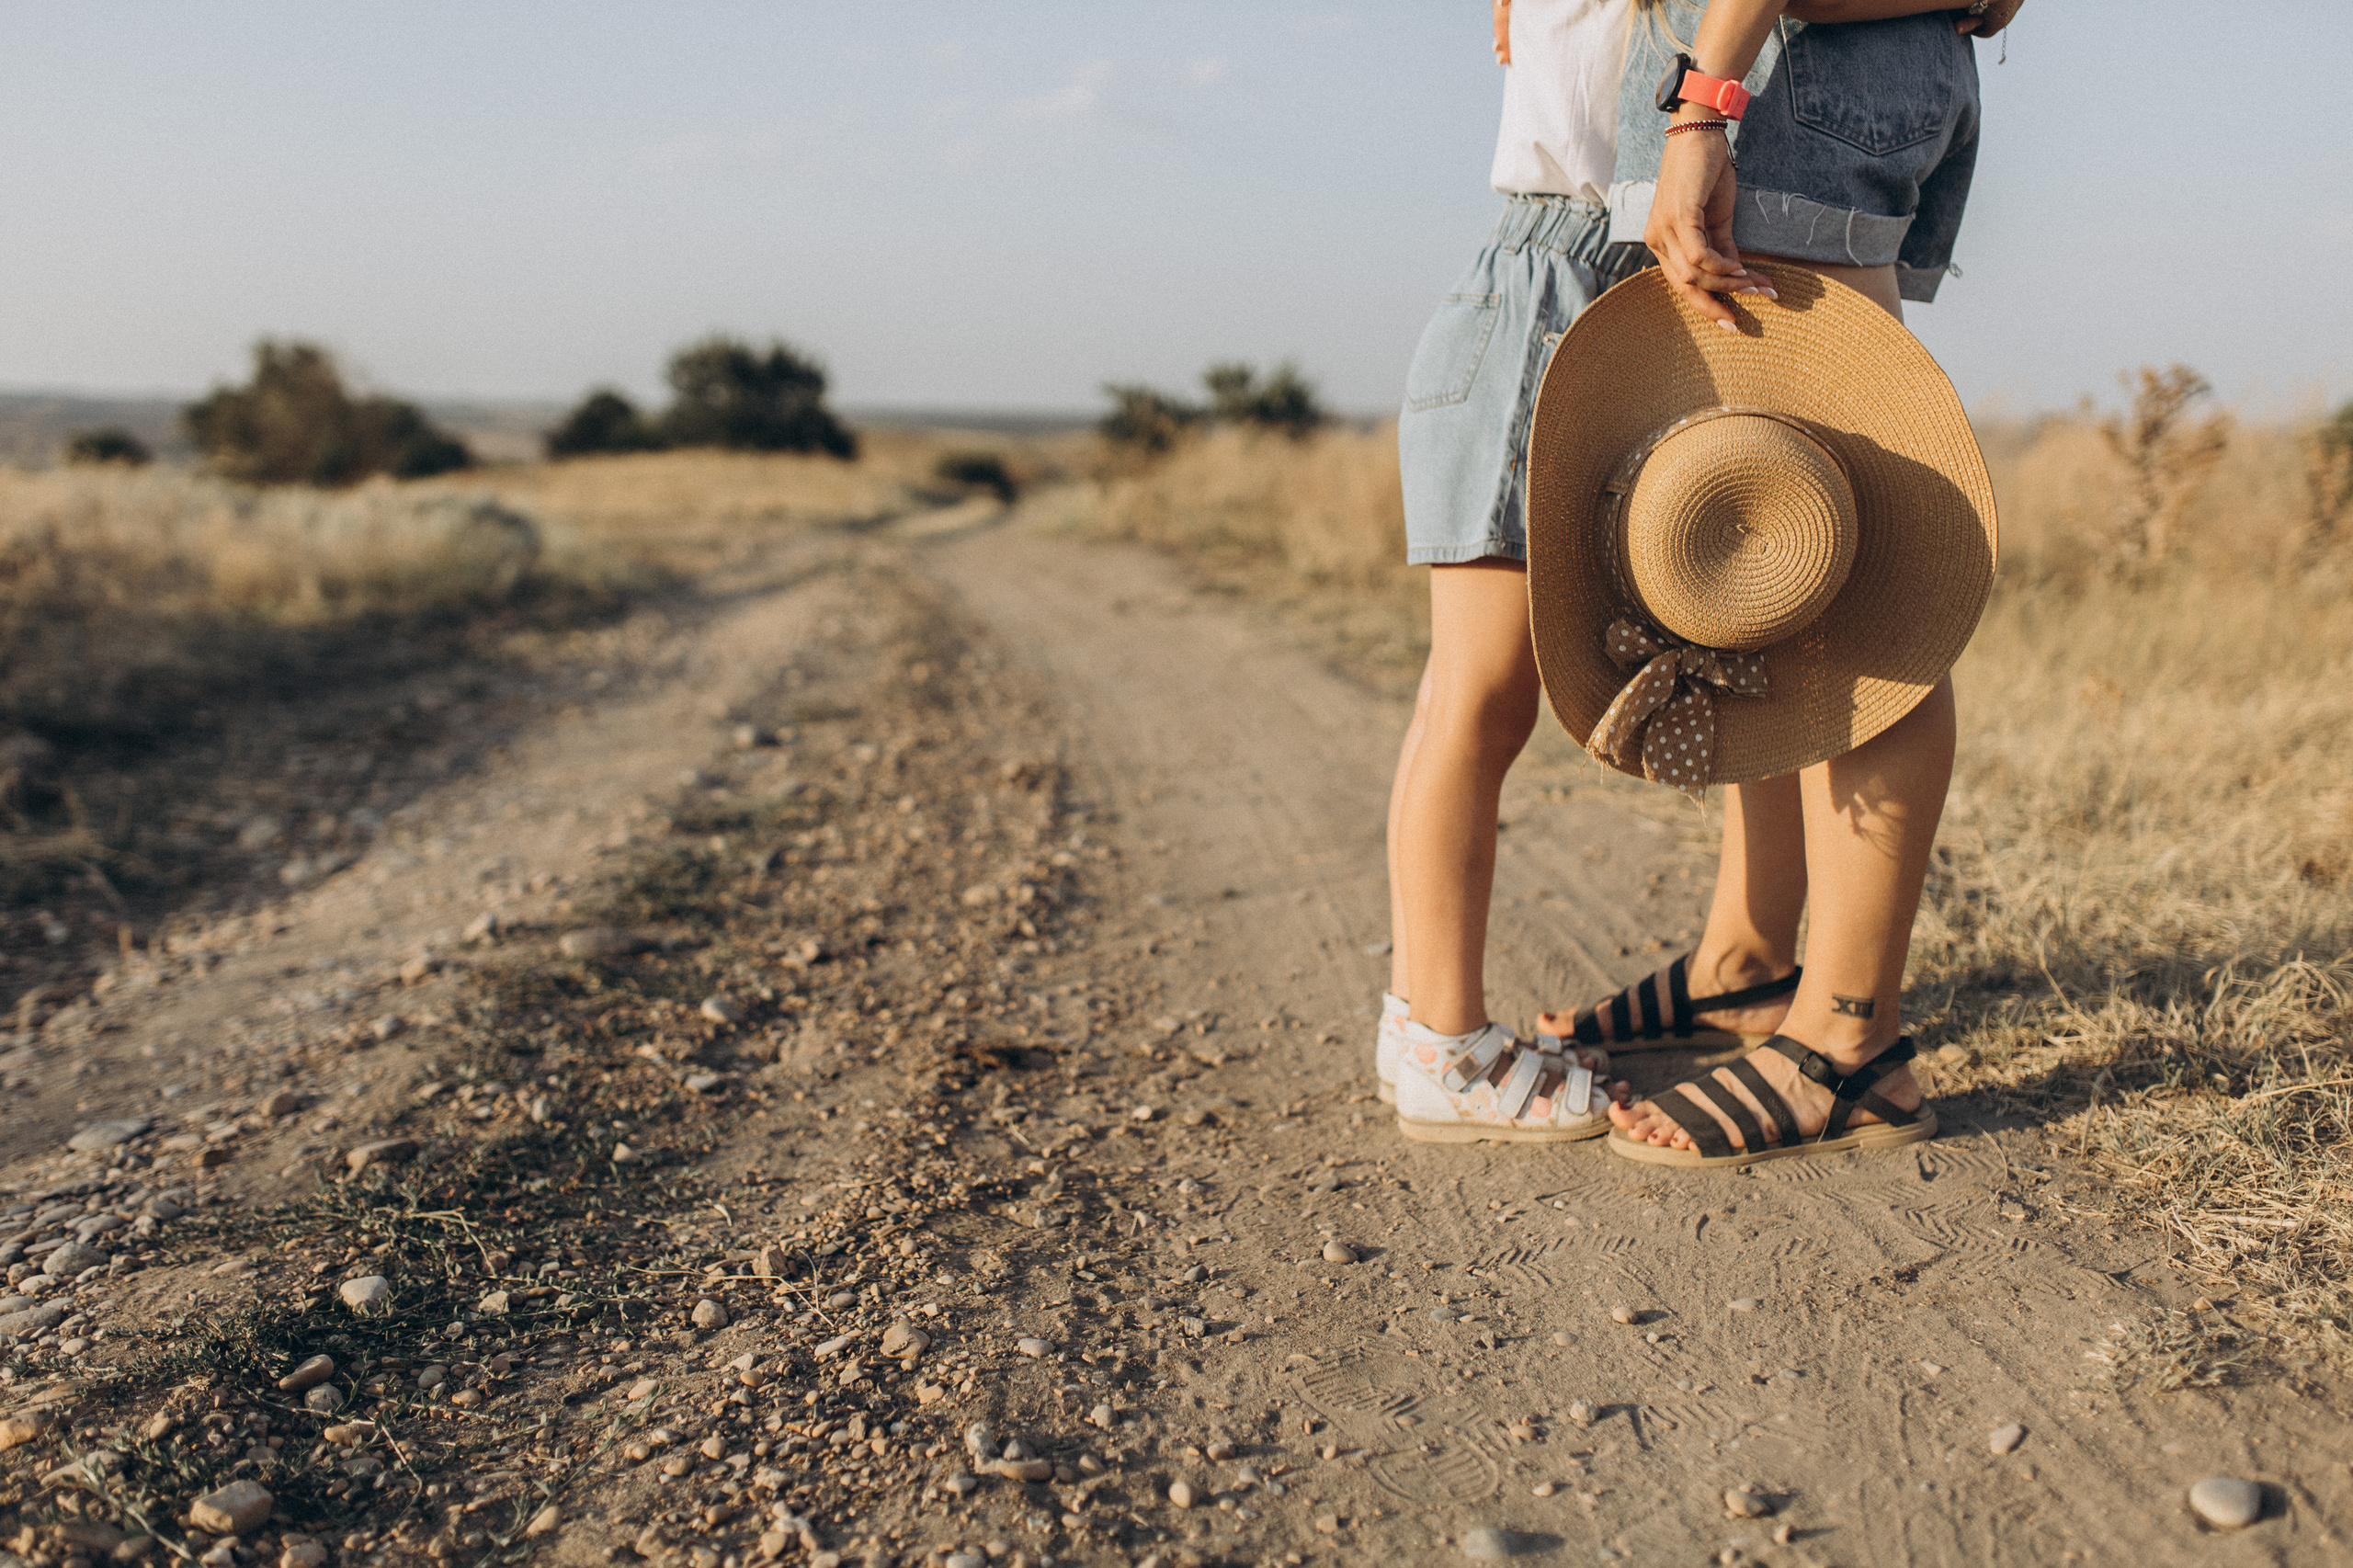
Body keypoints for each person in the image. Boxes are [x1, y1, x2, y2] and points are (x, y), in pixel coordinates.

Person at [1381, 0, 2016, 1145]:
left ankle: (1841, 1038)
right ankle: (1746, 964)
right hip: (1764, 126)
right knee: (1784, 560)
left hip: (1773, 100)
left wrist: (1703, 103)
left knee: (1846, 566)